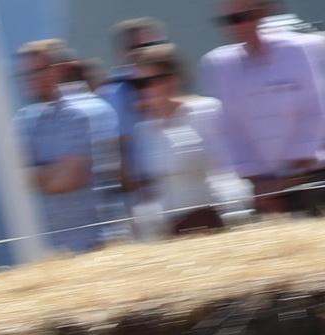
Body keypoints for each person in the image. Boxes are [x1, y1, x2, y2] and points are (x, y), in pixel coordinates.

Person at [201, 0, 325, 213]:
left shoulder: (302, 49)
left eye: (243, 17)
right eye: (229, 20)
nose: (237, 26)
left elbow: (316, 114)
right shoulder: (221, 64)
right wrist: (259, 183)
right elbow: (230, 129)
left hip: (313, 179)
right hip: (266, 190)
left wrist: (287, 180)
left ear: (264, 13)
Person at [131, 44, 245, 237]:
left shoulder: (206, 111)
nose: (144, 89)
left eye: (150, 81)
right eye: (138, 84)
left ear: (172, 79)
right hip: (170, 230)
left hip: (212, 220)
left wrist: (234, 216)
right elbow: (153, 188)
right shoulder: (144, 129)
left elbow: (228, 169)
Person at [17, 40, 117, 254]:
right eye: (28, 73)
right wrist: (50, 174)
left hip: (96, 243)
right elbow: (18, 179)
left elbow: (69, 178)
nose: (34, 79)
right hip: (58, 249)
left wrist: (38, 175)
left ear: (60, 68)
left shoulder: (82, 112)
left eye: (40, 70)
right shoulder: (30, 119)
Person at [101, 18, 171, 192]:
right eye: (136, 47)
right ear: (122, 53)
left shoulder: (172, 81)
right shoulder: (112, 94)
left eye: (151, 45)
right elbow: (116, 152)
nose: (145, 52)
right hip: (143, 190)